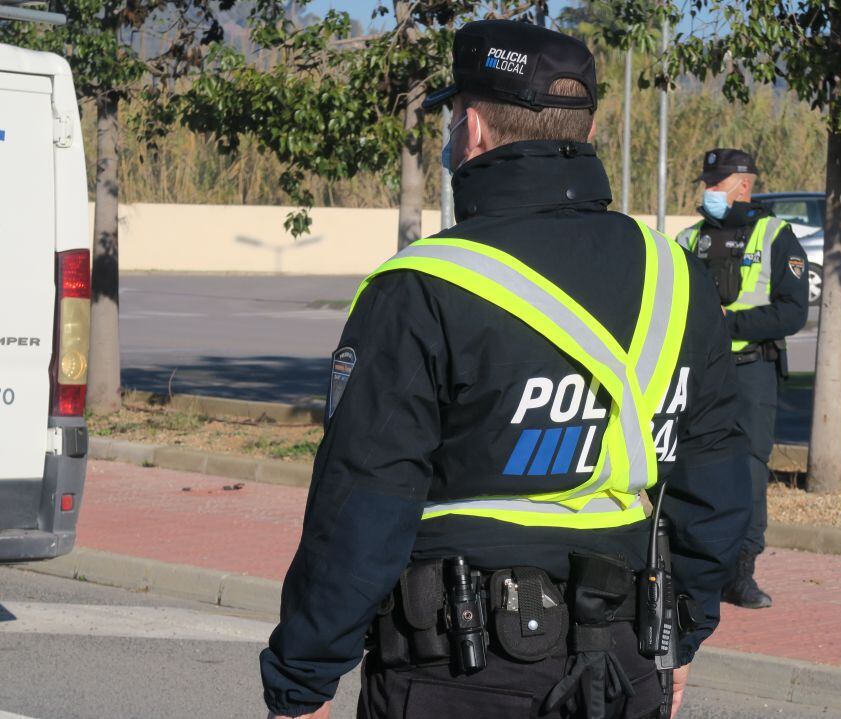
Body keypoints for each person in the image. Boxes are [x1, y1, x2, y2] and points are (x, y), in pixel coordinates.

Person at [261, 21, 751, 719]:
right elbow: (718, 477)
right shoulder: (677, 274)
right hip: (626, 664)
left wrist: (301, 681)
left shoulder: (423, 284)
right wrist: (682, 638)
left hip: (455, 674)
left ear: (472, 131)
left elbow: (364, 501)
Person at [676, 149, 809, 610]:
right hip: (701, 372)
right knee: (691, 464)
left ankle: (741, 571)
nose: (709, 193)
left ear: (743, 185)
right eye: (707, 184)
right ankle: (691, 564)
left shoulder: (776, 235)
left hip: (752, 370)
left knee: (750, 468)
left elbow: (791, 312)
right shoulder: (690, 239)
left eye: (717, 184)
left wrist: (725, 324)